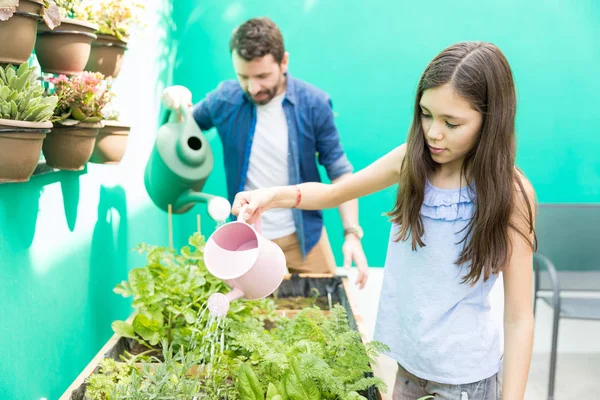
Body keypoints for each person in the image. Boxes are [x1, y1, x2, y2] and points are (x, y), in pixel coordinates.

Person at [230, 41, 537, 400]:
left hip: (464, 381)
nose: (434, 133)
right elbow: (335, 193)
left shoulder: (511, 193)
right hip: (407, 369)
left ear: (491, 120)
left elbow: (519, 318)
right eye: (426, 114)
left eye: (452, 123)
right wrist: (270, 197)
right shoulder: (412, 161)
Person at [162, 17, 368, 287]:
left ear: (284, 62)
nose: (252, 87)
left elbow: (341, 174)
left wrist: (352, 234)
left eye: (262, 76)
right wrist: (174, 104)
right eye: (243, 76)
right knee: (252, 322)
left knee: (330, 316)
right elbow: (180, 129)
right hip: (246, 240)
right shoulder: (224, 99)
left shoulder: (314, 104)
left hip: (304, 237)